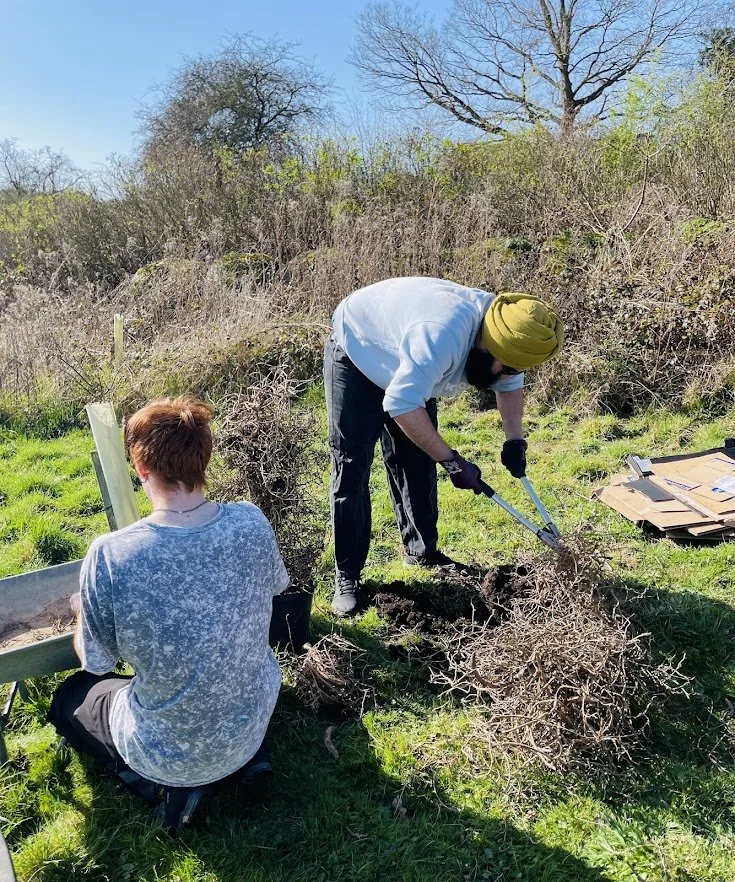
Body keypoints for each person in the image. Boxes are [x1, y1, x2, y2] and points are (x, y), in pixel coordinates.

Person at [48, 395, 289, 834]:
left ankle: (166, 789)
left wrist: (82, 611)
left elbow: (97, 662)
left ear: (142, 471)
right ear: (205, 460)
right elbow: (275, 587)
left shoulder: (111, 555)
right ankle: (247, 759)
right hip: (252, 714)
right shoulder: (252, 521)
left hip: (171, 753)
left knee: (71, 698)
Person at [325, 276, 563, 616]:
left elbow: (509, 381)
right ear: (485, 346)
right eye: (504, 367)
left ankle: (423, 552)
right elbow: (403, 403)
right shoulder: (441, 336)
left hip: (409, 359)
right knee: (351, 466)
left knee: (418, 460)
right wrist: (452, 461)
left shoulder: (509, 334)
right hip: (360, 349)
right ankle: (347, 576)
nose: (506, 374)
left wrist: (515, 440)